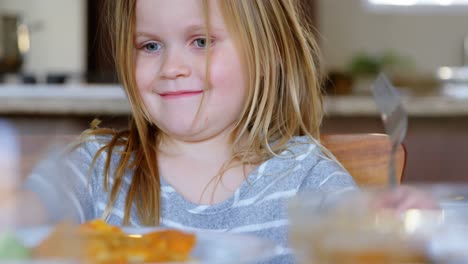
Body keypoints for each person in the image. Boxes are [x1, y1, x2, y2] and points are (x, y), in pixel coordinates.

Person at [12, 0, 435, 263]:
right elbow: (21, 221)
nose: (171, 67)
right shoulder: (93, 167)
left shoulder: (307, 176)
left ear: (266, 53)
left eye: (200, 41)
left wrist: (397, 225)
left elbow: (360, 241)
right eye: (150, 46)